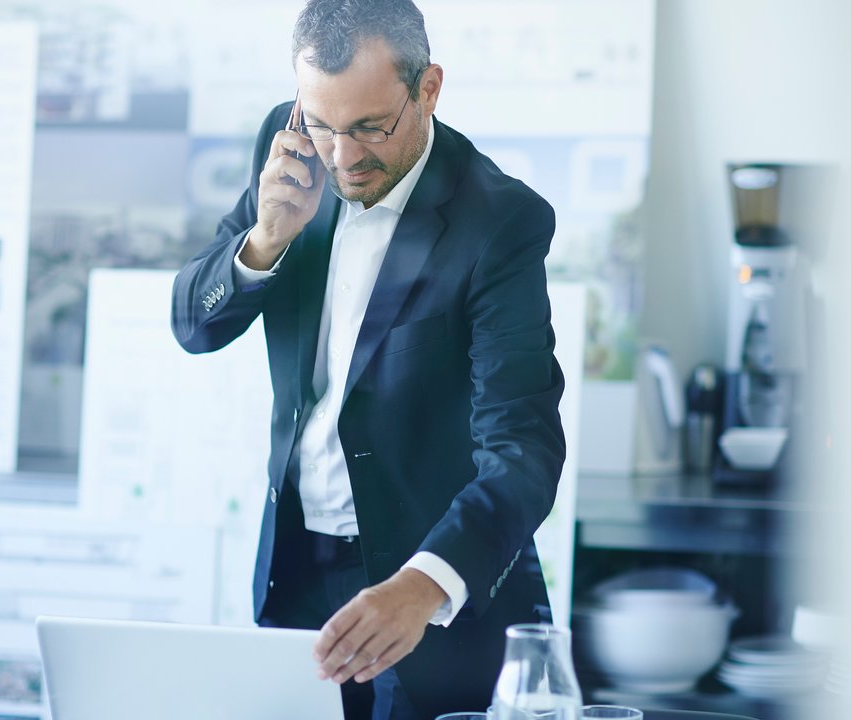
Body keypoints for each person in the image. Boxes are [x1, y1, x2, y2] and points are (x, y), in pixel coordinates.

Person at [171, 1, 565, 717]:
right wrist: (264, 240)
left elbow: (523, 450)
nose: (343, 157)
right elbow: (192, 325)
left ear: (428, 88)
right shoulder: (287, 148)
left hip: (434, 602)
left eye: (369, 128)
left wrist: (423, 584)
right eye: (321, 125)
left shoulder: (500, 223)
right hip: (297, 579)